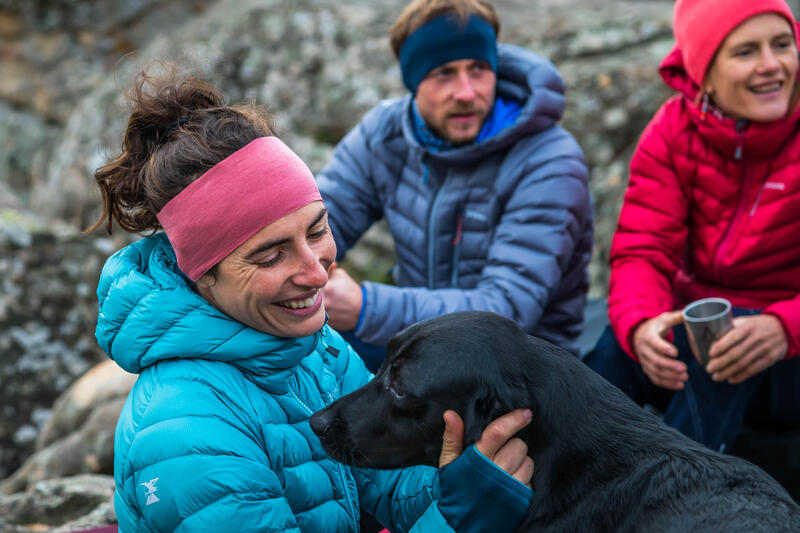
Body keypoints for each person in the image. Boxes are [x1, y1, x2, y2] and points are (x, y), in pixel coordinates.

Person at [89, 72, 535, 532]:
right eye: (271, 255)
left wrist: (468, 475)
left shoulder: (312, 346)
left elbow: (393, 485)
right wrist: (469, 515)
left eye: (318, 230)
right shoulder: (191, 434)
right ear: (202, 274)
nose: (317, 272)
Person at [317, 0, 593, 369]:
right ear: (414, 83)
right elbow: (319, 222)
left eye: (478, 69)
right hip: (419, 348)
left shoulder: (549, 160)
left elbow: (505, 310)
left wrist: (366, 307)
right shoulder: (384, 134)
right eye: (444, 73)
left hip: (520, 368)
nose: (466, 92)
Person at [585, 0, 800, 455]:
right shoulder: (672, 131)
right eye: (745, 52)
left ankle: (675, 500)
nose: (772, 65)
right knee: (615, 348)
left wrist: (786, 327)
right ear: (705, 71)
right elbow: (642, 250)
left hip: (789, 362)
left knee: (721, 350)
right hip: (705, 336)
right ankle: (554, 485)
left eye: (783, 44)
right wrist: (642, 325)